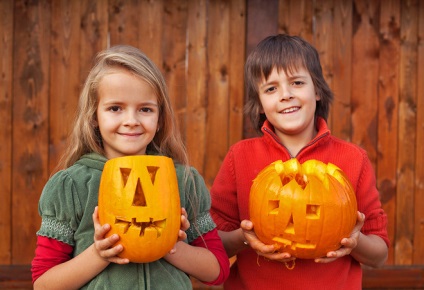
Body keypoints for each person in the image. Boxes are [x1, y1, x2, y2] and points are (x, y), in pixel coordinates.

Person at [31, 45, 230, 289]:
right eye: (115, 108)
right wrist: (98, 254)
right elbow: (43, 283)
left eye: (145, 109)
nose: (131, 121)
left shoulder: (185, 181)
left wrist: (171, 245)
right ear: (94, 116)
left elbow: (217, 270)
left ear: (159, 120)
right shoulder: (71, 186)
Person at [210, 34, 389, 290]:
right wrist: (245, 238)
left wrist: (354, 242)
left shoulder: (353, 159)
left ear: (316, 90)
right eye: (271, 88)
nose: (285, 95)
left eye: (296, 82)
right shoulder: (239, 157)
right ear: (260, 103)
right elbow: (212, 243)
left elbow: (379, 255)